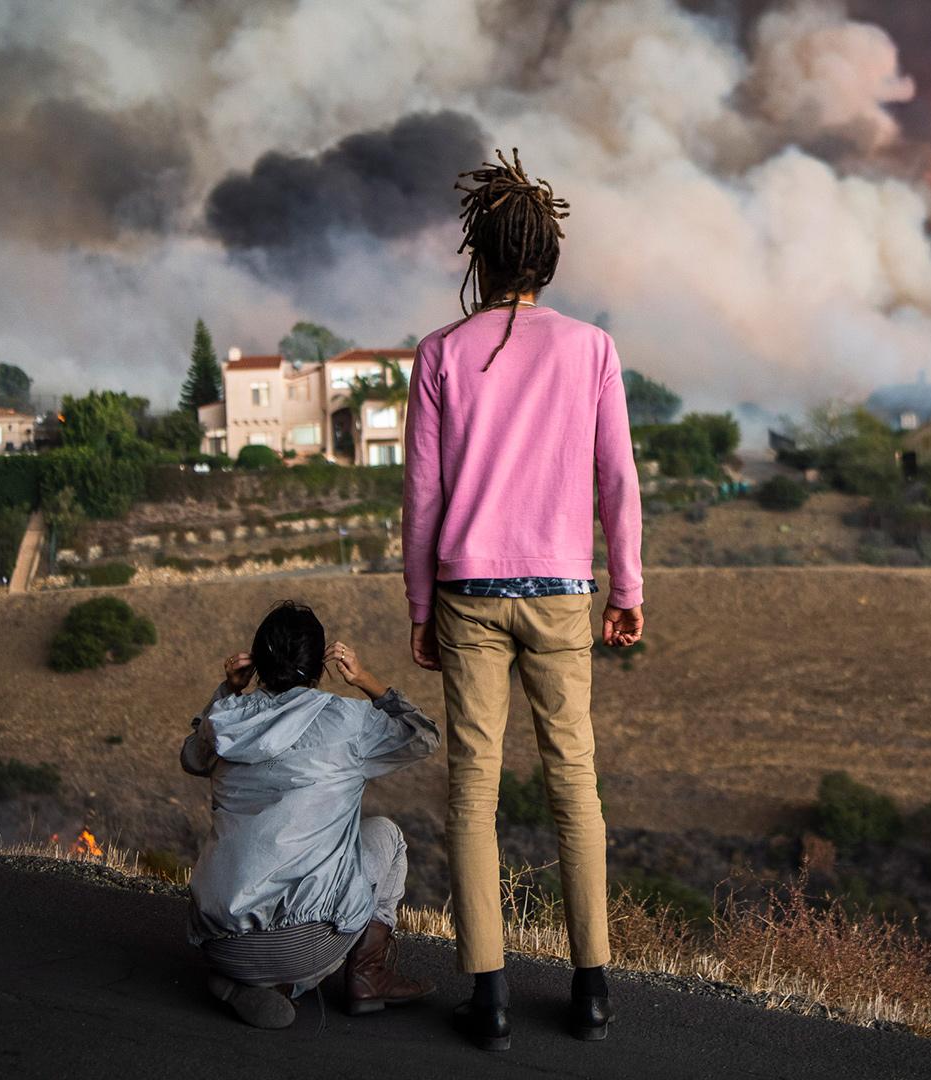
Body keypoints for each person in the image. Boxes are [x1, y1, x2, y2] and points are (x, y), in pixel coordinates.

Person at [402, 148, 645, 1052]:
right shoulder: (593, 349)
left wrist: (420, 605)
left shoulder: (439, 353)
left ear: (482, 257)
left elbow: (422, 497)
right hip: (559, 595)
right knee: (573, 782)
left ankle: (492, 1001)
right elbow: (616, 477)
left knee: (474, 791)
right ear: (546, 259)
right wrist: (627, 584)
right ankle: (590, 994)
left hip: (467, 593)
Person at [180, 601, 440, 1030]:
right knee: (387, 837)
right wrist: (366, 681)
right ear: (321, 662)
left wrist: (228, 691)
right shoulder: (348, 721)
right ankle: (361, 979)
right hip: (301, 942)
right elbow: (424, 738)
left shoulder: (223, 720)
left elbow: (192, 757)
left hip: (216, 939)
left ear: (256, 662)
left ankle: (245, 983)